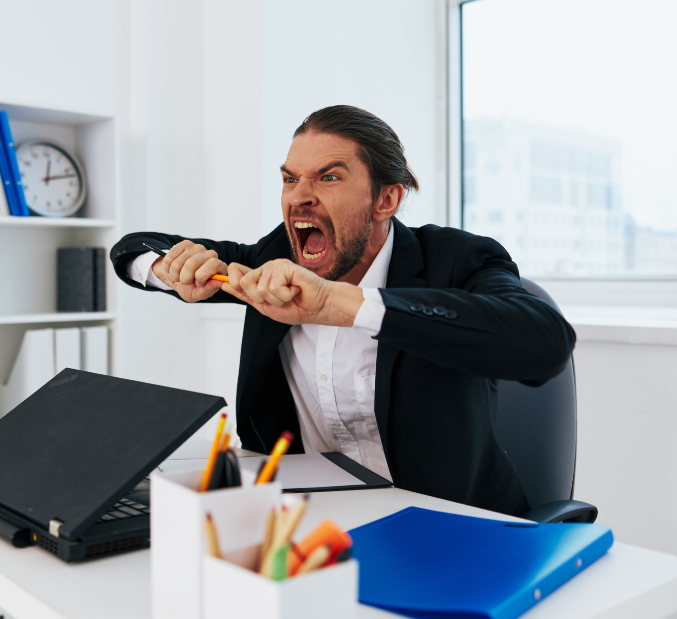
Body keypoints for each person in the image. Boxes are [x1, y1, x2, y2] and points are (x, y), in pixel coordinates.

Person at [111, 105, 576, 516]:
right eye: (291, 179)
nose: (300, 196)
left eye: (328, 177)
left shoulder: (457, 259)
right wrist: (170, 267)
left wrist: (341, 304)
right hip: (316, 519)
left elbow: (544, 342)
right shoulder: (273, 260)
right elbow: (129, 251)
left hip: (448, 522)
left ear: (386, 199)